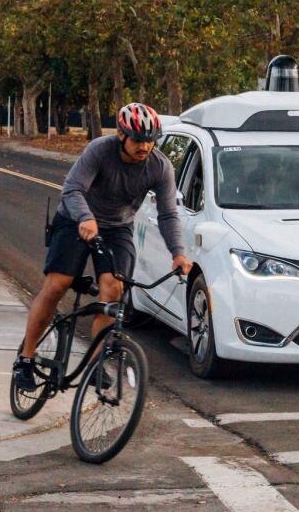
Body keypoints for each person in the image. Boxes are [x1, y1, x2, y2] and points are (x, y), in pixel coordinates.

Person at [12, 102, 192, 391]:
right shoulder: (99, 150)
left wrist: (178, 253)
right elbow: (73, 189)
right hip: (75, 220)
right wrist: (85, 218)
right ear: (121, 135)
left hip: (118, 229)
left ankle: (96, 364)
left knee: (113, 290)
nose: (144, 146)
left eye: (150, 140)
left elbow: (168, 213)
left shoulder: (160, 167)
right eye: (137, 139)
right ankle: (26, 358)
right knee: (58, 284)